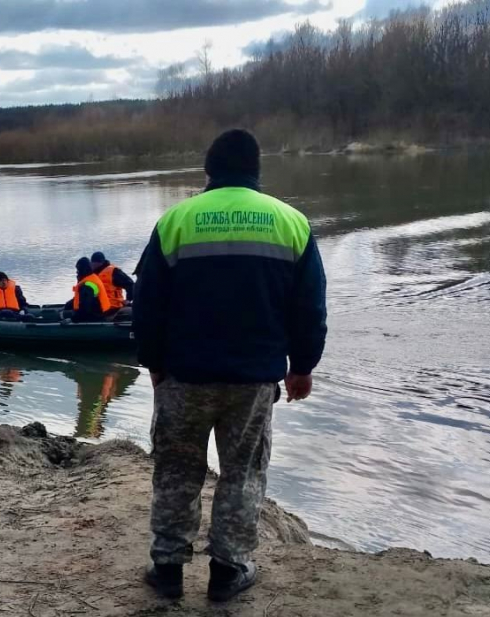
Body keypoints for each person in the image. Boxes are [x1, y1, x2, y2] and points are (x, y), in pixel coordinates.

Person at [133, 129, 327, 601]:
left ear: (209, 171)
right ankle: (227, 573)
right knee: (242, 474)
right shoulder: (291, 223)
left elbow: (147, 304)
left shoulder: (176, 221)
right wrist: (301, 367)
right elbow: (310, 308)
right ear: (256, 169)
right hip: (253, 380)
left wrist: (154, 364)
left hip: (184, 376)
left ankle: (168, 571)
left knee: (177, 471)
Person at [65, 257, 110, 322]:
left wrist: (72, 319)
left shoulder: (87, 286)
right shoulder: (91, 278)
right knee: (66, 311)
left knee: (63, 315)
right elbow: (81, 299)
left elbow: (86, 308)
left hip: (96, 317)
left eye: (78, 269)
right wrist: (67, 306)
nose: (77, 272)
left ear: (82, 270)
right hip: (100, 313)